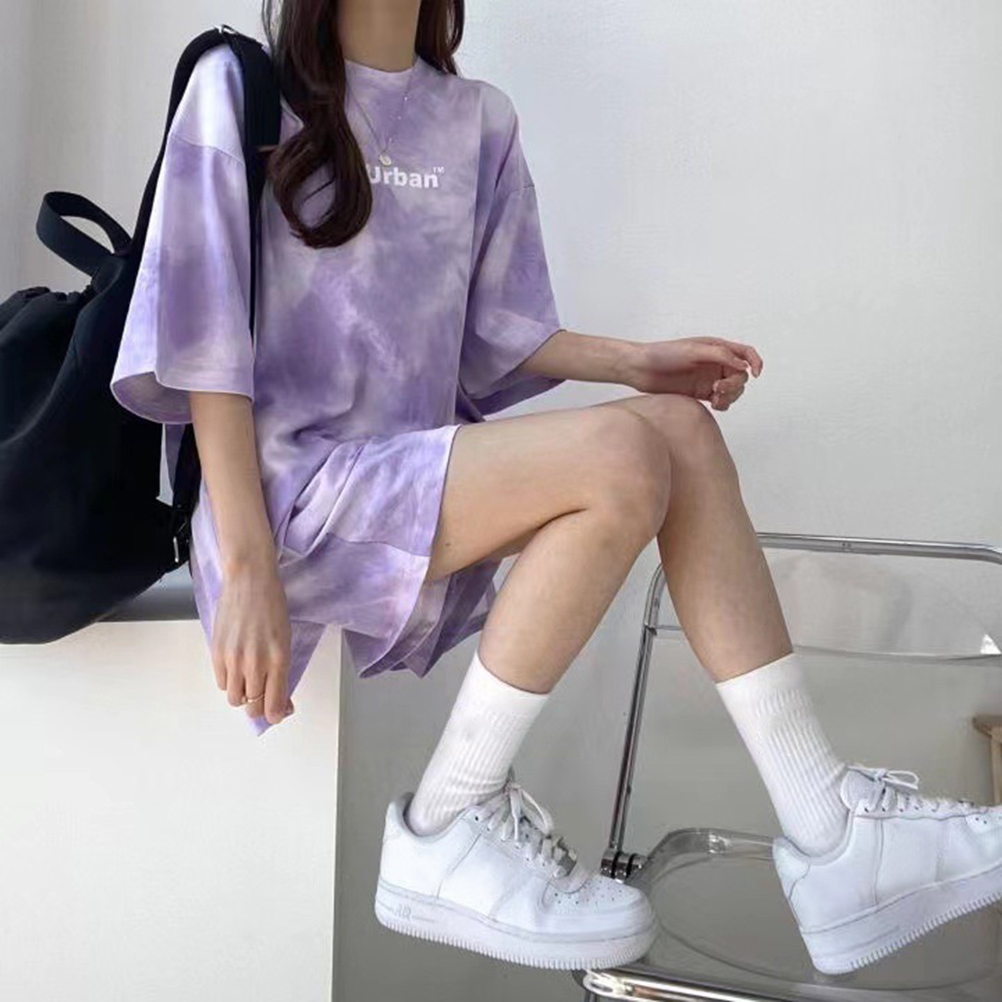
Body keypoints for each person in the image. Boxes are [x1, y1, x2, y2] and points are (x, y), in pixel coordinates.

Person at [110, 0, 1002, 978]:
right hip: (283, 501)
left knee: (678, 432)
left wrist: (637, 363)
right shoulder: (240, 92)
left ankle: (831, 831)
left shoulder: (477, 121)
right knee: (622, 457)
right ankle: (450, 815)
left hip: (412, 475)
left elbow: (497, 335)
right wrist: (244, 566)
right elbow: (202, 341)